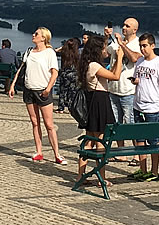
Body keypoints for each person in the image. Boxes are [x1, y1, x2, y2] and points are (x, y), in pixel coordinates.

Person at [8, 27, 61, 163]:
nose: (33, 35)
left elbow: (54, 72)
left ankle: (57, 154)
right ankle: (39, 151)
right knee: (35, 122)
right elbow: (21, 69)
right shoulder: (29, 52)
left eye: (36, 34)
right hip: (29, 89)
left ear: (43, 37)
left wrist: (48, 89)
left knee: (49, 124)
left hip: (43, 90)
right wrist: (13, 85)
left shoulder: (49, 53)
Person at [75, 35, 122, 183]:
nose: (106, 49)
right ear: (98, 49)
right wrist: (120, 57)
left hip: (92, 101)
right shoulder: (94, 65)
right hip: (100, 101)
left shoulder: (87, 64)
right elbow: (115, 76)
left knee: (89, 140)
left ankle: (81, 175)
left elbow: (109, 74)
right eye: (104, 47)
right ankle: (102, 176)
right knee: (100, 141)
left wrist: (114, 59)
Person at [131, 34, 159, 181]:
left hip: (153, 106)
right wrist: (135, 81)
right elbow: (137, 79)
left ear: (152, 45)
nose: (142, 49)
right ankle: (143, 169)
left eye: (145, 46)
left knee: (153, 141)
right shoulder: (140, 61)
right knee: (140, 139)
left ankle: (154, 172)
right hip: (138, 105)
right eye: (141, 46)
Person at [105, 21, 141, 157]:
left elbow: (134, 58)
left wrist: (121, 44)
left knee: (129, 123)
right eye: (123, 25)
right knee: (116, 123)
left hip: (128, 91)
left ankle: (137, 154)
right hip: (113, 88)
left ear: (135, 29)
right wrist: (106, 37)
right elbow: (104, 54)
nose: (124, 28)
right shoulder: (115, 42)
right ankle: (121, 152)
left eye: (127, 26)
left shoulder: (138, 43)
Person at [54, 38, 82, 114]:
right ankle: (71, 108)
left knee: (63, 91)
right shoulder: (78, 54)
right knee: (73, 92)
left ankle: (61, 108)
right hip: (75, 74)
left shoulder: (64, 53)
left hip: (65, 74)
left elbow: (54, 52)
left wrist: (61, 48)